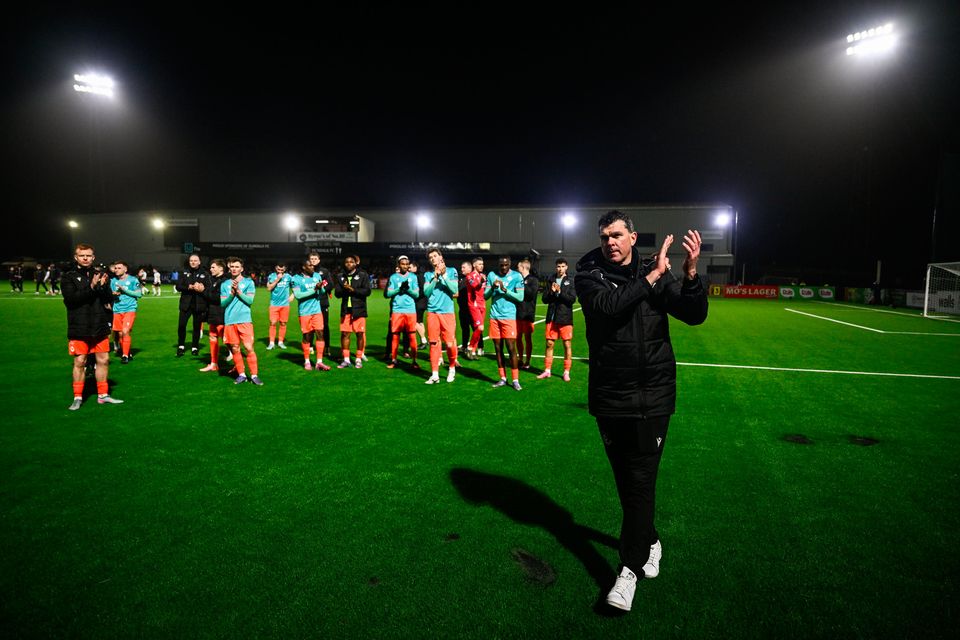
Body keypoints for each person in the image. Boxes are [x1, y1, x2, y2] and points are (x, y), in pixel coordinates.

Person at [575, 210, 707, 612]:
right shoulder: (588, 274)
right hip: (610, 395)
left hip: (653, 395)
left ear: (632, 237)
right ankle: (650, 539)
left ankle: (627, 571)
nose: (609, 242)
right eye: (604, 237)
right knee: (626, 483)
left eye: (616, 235)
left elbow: (693, 314)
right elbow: (609, 307)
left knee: (640, 482)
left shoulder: (657, 271)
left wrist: (688, 276)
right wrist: (650, 278)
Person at [61, 243, 123, 409]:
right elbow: (71, 300)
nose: (86, 258)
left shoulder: (101, 274)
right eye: (82, 255)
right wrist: (92, 287)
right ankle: (78, 397)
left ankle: (103, 395)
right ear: (76, 257)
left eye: (89, 255)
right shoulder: (69, 276)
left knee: (104, 360)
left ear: (93, 257)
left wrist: (102, 287)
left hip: (99, 324)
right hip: (79, 326)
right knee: (80, 361)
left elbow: (108, 298)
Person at [220, 257, 262, 385]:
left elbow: (250, 301)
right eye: (232, 266)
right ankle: (242, 375)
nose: (234, 269)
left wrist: (238, 291)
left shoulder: (249, 282)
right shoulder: (224, 284)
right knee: (235, 348)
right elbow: (223, 303)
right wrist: (232, 295)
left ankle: (254, 375)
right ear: (229, 268)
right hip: (230, 320)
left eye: (237, 267)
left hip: (244, 320)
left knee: (249, 348)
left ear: (242, 269)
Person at [485, 256, 525, 390]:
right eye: (501, 265)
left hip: (508, 317)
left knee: (511, 348)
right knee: (497, 348)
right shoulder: (491, 275)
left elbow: (520, 297)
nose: (503, 267)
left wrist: (505, 290)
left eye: (506, 265)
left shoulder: (517, 277)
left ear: (510, 265)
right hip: (494, 316)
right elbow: (485, 296)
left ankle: (515, 380)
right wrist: (493, 288)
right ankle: (502, 378)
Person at [422, 248, 460, 384]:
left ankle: (451, 369)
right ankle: (435, 374)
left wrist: (443, 276)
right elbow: (426, 292)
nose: (433, 259)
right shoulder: (428, 274)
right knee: (433, 343)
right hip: (432, 312)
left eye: (435, 256)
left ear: (440, 257)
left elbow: (454, 289)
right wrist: (435, 277)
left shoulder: (452, 271)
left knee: (449, 343)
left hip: (447, 312)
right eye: (430, 257)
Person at [537, 258, 577, 381]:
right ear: (556, 267)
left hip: (565, 317)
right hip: (552, 317)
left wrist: (559, 292)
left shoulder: (570, 281)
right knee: (549, 344)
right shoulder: (551, 279)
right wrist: (552, 292)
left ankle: (566, 372)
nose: (560, 269)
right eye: (558, 266)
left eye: (562, 266)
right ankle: (547, 370)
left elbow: (571, 299)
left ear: (567, 267)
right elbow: (544, 299)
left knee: (567, 344)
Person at [292, 259, 331, 371]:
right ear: (304, 267)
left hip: (317, 311)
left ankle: (319, 362)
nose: (313, 267)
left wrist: (321, 287)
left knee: (320, 334)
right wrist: (315, 289)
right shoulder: (296, 279)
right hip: (304, 312)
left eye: (313, 265)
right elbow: (298, 295)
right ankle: (307, 361)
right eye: (310, 265)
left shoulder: (317, 276)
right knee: (307, 336)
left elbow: (322, 292)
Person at [333, 254, 371, 368]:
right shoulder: (340, 276)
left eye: (351, 262)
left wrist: (353, 290)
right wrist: (345, 290)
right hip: (346, 310)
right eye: (347, 262)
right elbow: (337, 294)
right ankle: (346, 359)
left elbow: (367, 291)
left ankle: (358, 358)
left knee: (359, 334)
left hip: (359, 310)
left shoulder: (363, 275)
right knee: (345, 334)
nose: (349, 264)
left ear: (355, 263)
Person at [384, 255, 420, 369]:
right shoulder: (393, 277)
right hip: (397, 310)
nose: (405, 266)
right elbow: (388, 294)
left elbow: (417, 294)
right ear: (398, 265)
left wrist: (407, 289)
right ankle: (394, 360)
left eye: (406, 264)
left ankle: (414, 361)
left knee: (412, 337)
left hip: (410, 311)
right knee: (395, 336)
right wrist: (399, 289)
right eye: (402, 264)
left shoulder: (413, 277)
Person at [175, 253, 209, 357]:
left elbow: (208, 287)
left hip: (199, 304)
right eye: (191, 261)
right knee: (181, 326)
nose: (193, 262)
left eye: (195, 260)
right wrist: (188, 287)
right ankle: (181, 346)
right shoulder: (184, 272)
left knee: (196, 327)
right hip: (186, 304)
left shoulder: (205, 273)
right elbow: (178, 286)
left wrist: (201, 288)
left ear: (199, 262)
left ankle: (195, 346)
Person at [109, 261, 143, 364]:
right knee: (119, 334)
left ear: (125, 269)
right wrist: (114, 294)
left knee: (125, 331)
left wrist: (124, 290)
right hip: (117, 310)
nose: (116, 270)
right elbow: (113, 294)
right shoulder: (113, 281)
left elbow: (139, 294)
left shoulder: (133, 280)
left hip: (129, 309)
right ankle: (127, 352)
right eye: (115, 268)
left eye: (119, 268)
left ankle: (124, 356)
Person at [200, 259, 227, 372]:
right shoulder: (213, 280)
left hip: (221, 314)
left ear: (221, 268)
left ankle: (239, 366)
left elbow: (218, 298)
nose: (211, 269)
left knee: (228, 341)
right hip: (212, 313)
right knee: (212, 337)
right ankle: (213, 364)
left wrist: (203, 291)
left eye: (213, 267)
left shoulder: (225, 281)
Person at [307, 252, 334, 358]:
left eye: (315, 259)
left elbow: (330, 284)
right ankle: (310, 347)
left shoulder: (324, 271)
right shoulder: (306, 272)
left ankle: (327, 347)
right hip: (309, 303)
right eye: (311, 259)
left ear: (319, 260)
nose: (313, 260)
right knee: (310, 326)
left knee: (324, 326)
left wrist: (321, 290)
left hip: (322, 303)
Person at [515, 258, 539, 369]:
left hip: (528, 314)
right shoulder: (517, 279)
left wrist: (521, 285)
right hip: (517, 313)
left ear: (523, 268)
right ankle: (520, 359)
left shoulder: (533, 280)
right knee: (518, 337)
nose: (517, 269)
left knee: (527, 338)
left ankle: (527, 361)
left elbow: (531, 294)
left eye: (518, 267)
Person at [265, 262, 292, 350]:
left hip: (285, 304)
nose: (280, 271)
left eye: (282, 269)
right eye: (278, 269)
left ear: (285, 269)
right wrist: (277, 280)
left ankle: (280, 342)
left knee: (283, 323)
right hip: (274, 304)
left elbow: (297, 286)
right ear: (276, 268)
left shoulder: (288, 277)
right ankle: (271, 343)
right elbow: (268, 288)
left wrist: (293, 295)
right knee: (272, 323)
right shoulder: (271, 276)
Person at [464, 256, 486, 359]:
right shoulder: (469, 276)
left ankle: (473, 351)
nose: (481, 266)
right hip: (474, 304)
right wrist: (481, 281)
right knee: (480, 327)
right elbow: (474, 286)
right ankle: (469, 347)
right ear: (474, 265)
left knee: (478, 329)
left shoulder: (483, 276)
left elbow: (484, 290)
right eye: (479, 264)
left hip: (482, 304)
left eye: (482, 264)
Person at [408, 261, 429, 348]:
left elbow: (422, 290)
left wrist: (414, 295)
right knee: (420, 322)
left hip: (419, 302)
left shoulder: (419, 276)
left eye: (410, 267)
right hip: (423, 302)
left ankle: (424, 340)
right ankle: (423, 341)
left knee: (415, 322)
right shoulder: (421, 275)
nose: (409, 269)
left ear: (415, 267)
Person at [457, 261, 473, 349]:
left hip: (471, 309)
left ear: (470, 269)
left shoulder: (472, 279)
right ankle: (464, 346)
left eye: (464, 267)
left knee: (475, 328)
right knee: (464, 329)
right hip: (462, 309)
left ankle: (479, 347)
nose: (461, 269)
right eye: (461, 267)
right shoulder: (462, 279)